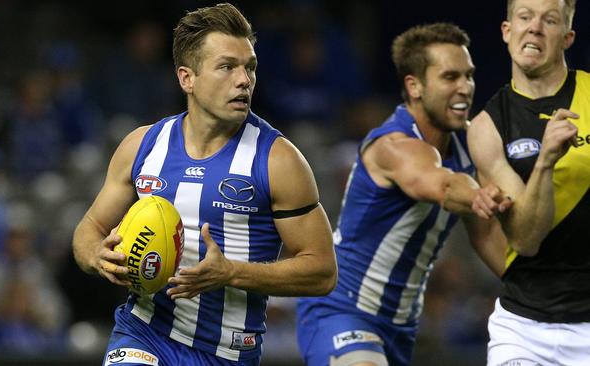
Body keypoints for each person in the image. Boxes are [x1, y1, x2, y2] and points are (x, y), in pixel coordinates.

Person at [72, 3, 337, 366]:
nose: (244, 80)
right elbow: (88, 230)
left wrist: (231, 272)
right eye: (227, 67)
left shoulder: (279, 161)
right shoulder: (143, 146)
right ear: (187, 78)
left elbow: (322, 271)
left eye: (250, 67)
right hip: (144, 332)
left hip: (225, 354)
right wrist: (97, 257)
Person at [296, 23, 511, 366]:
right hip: (341, 310)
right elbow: (439, 184)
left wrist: (539, 289)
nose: (465, 88)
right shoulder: (393, 146)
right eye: (450, 77)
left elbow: (486, 237)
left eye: (468, 76)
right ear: (414, 86)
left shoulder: (470, 144)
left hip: (402, 326)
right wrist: (480, 196)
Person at [466, 0, 590, 364]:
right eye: (524, 17)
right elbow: (525, 239)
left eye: (549, 20)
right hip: (524, 328)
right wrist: (546, 161)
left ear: (567, 38)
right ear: (507, 31)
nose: (534, 27)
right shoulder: (487, 127)